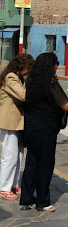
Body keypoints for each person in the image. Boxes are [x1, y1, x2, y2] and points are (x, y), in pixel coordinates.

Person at [20, 52, 68, 212]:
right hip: (46, 129)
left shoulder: (31, 81)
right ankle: (43, 202)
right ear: (50, 66)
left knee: (32, 162)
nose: (57, 66)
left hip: (31, 127)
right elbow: (66, 105)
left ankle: (26, 199)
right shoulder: (51, 82)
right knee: (45, 165)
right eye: (56, 63)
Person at [0, 53, 34, 201]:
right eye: (28, 68)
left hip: (17, 121)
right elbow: (23, 95)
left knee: (18, 155)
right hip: (9, 121)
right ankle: (4, 187)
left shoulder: (18, 77)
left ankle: (13, 184)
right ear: (21, 66)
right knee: (10, 155)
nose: (28, 71)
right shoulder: (11, 77)